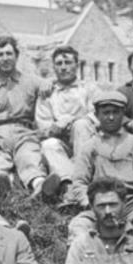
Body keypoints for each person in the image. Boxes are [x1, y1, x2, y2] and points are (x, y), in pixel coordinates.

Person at [68, 90, 133, 245]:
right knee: (78, 227)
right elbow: (79, 181)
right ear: (97, 115)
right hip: (100, 206)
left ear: (123, 114)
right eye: (106, 112)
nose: (111, 117)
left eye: (116, 112)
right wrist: (87, 202)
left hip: (131, 207)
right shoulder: (90, 146)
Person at [0, 35, 56, 197]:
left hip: (24, 132)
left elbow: (53, 86)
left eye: (9, 54)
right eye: (0, 55)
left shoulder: (31, 81)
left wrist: (48, 83)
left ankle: (40, 185)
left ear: (17, 56)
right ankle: (1, 184)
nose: (5, 58)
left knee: (29, 155)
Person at [35, 45, 98, 203]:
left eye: (68, 62)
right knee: (49, 144)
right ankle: (70, 187)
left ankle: (81, 181)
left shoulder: (89, 88)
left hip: (86, 141)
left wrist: (70, 119)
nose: (63, 67)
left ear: (77, 65)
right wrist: (55, 127)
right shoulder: (48, 93)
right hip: (62, 143)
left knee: (81, 125)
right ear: (54, 67)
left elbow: (98, 116)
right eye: (59, 63)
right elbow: (43, 126)